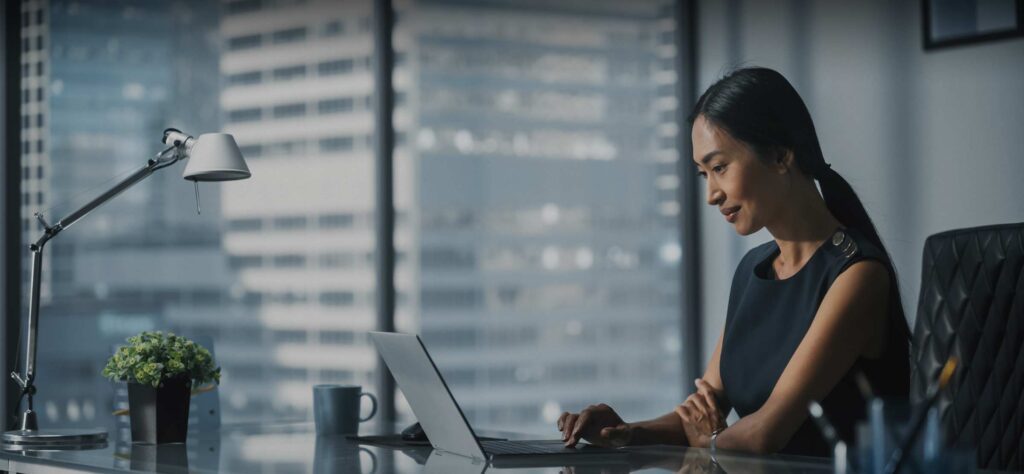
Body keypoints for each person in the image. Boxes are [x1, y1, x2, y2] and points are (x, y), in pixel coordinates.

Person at [556, 67, 910, 457]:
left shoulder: (856, 276)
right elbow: (704, 412)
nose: (711, 194)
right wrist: (621, 432)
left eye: (720, 167)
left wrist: (709, 441)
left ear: (780, 155)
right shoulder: (753, 270)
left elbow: (763, 435)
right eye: (703, 173)